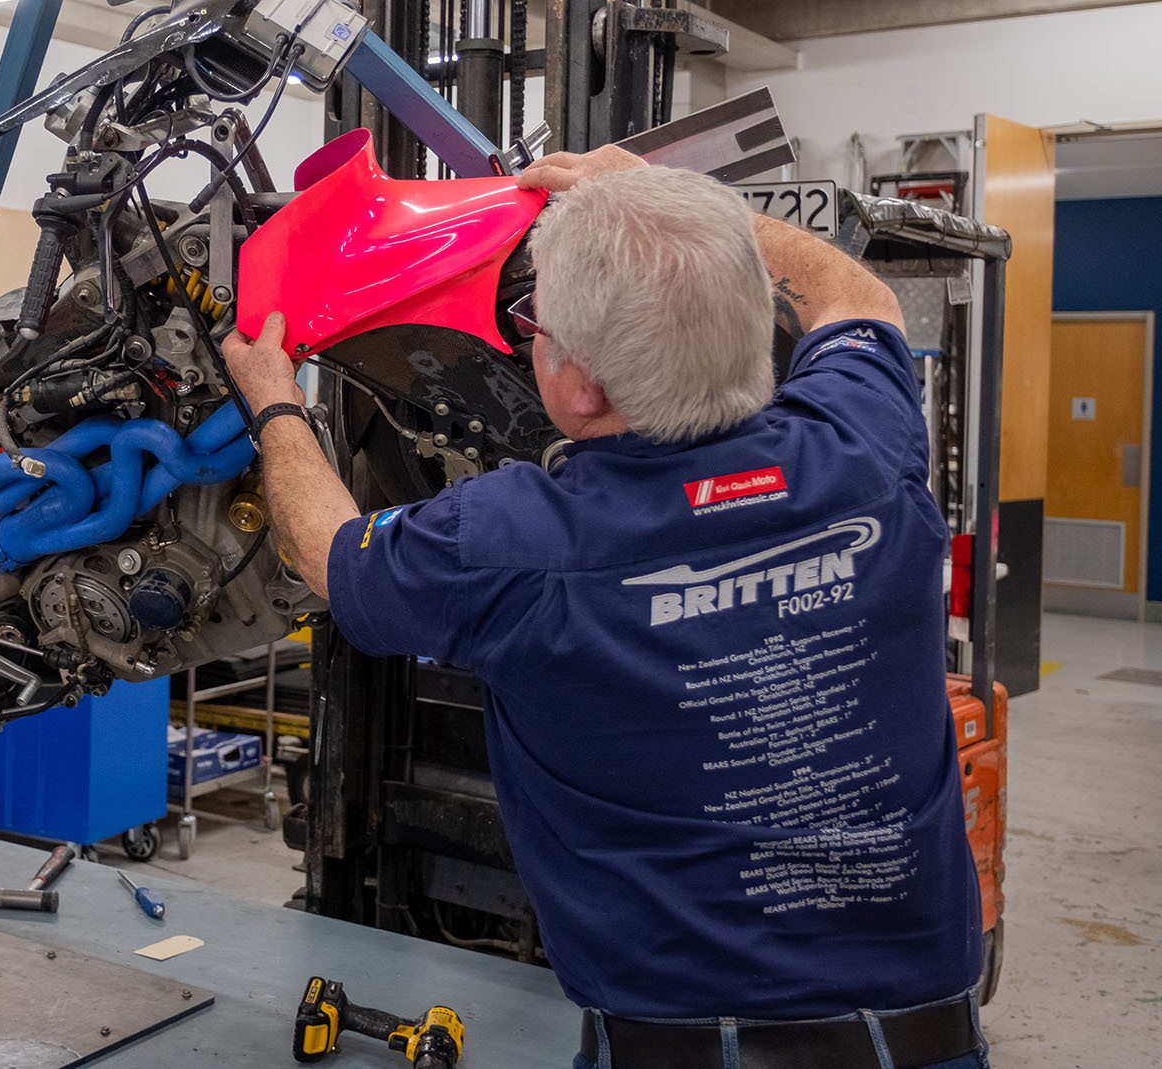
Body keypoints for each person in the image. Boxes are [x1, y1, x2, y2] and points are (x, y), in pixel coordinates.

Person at [223, 149, 987, 1069]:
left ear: (580, 385)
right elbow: (851, 290)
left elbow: (329, 556)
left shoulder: (508, 541)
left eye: (536, 322)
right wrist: (673, 202)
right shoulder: (864, 442)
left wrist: (273, 400)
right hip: (929, 1044)